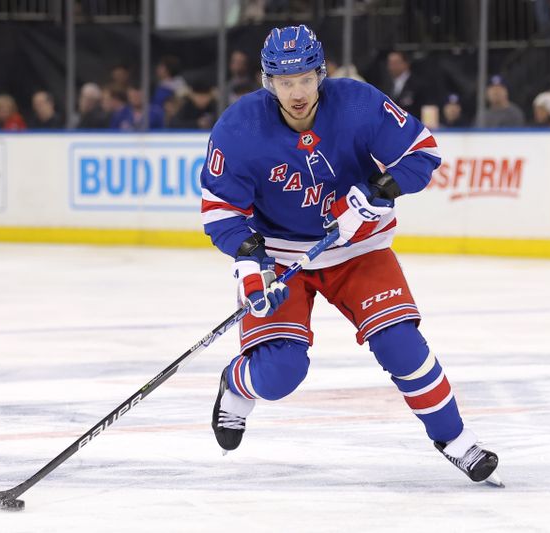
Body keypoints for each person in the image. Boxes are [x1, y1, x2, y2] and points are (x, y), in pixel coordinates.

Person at [200, 24, 501, 486]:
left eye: (304, 78)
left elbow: (421, 154)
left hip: (359, 247)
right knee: (281, 371)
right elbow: (221, 209)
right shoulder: (239, 128)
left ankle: (455, 439)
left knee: (400, 344)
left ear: (321, 73)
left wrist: (378, 191)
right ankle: (236, 386)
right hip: (280, 257)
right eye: (285, 81)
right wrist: (247, 259)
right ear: (268, 82)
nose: (297, 92)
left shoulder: (359, 104)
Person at [384, 51, 428, 118]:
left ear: (406, 63)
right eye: (390, 63)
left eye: (395, 63)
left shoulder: (418, 84)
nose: (391, 67)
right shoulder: (386, 85)